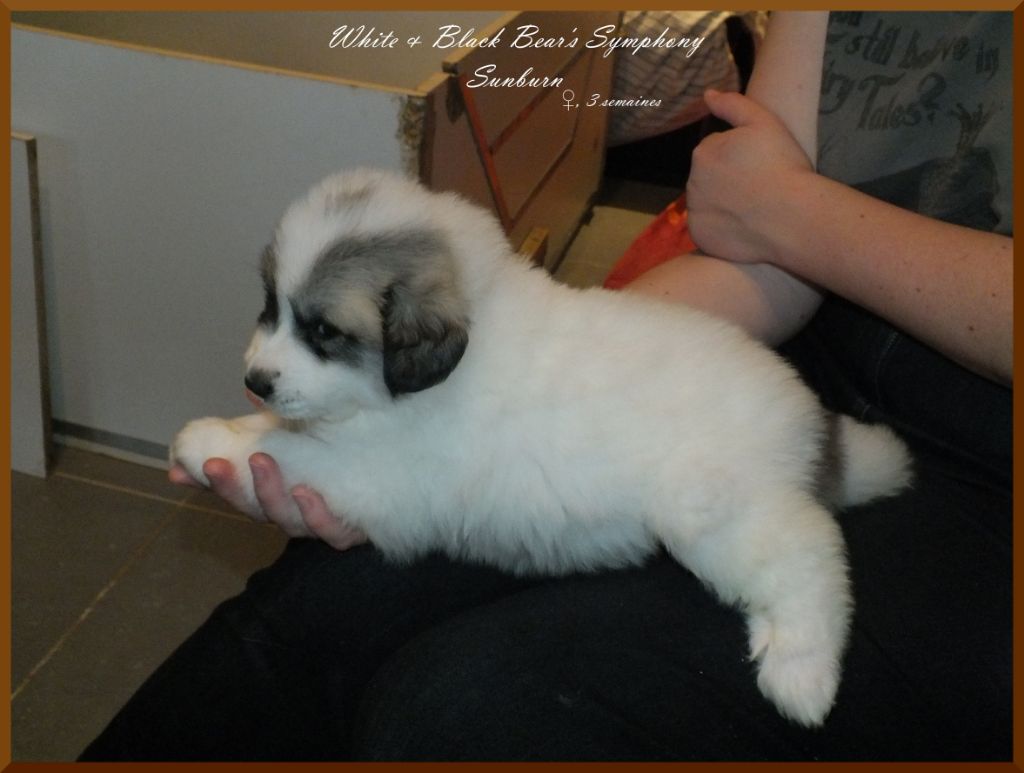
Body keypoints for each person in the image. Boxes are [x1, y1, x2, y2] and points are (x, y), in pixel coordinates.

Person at [80, 11, 1012, 761]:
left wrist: (798, 212)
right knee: (299, 620)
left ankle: (798, 589)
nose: (264, 355)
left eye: (320, 330)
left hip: (978, 478)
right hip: (796, 363)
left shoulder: (444, 345)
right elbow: (753, 242)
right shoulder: (477, 331)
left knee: (470, 704)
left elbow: (395, 483)